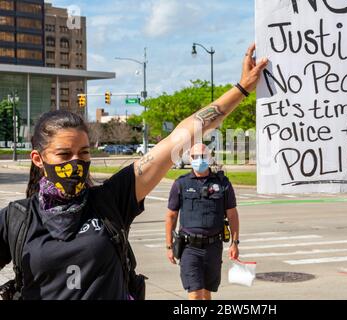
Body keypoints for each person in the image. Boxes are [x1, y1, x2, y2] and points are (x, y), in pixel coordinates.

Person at [0, 43, 267, 300]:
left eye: (83, 153)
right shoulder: (17, 219)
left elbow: (179, 138)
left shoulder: (111, 200)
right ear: (38, 158)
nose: (75, 162)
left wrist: (241, 89)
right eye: (63, 155)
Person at [165, 143, 239, 300]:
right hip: (189, 248)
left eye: (203, 156)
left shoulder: (223, 184)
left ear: (210, 157)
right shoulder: (181, 183)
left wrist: (235, 243)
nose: (199, 160)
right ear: (189, 159)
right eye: (194, 156)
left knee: (206, 293)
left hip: (214, 246)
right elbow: (171, 216)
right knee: (195, 294)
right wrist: (169, 245)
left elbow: (232, 215)